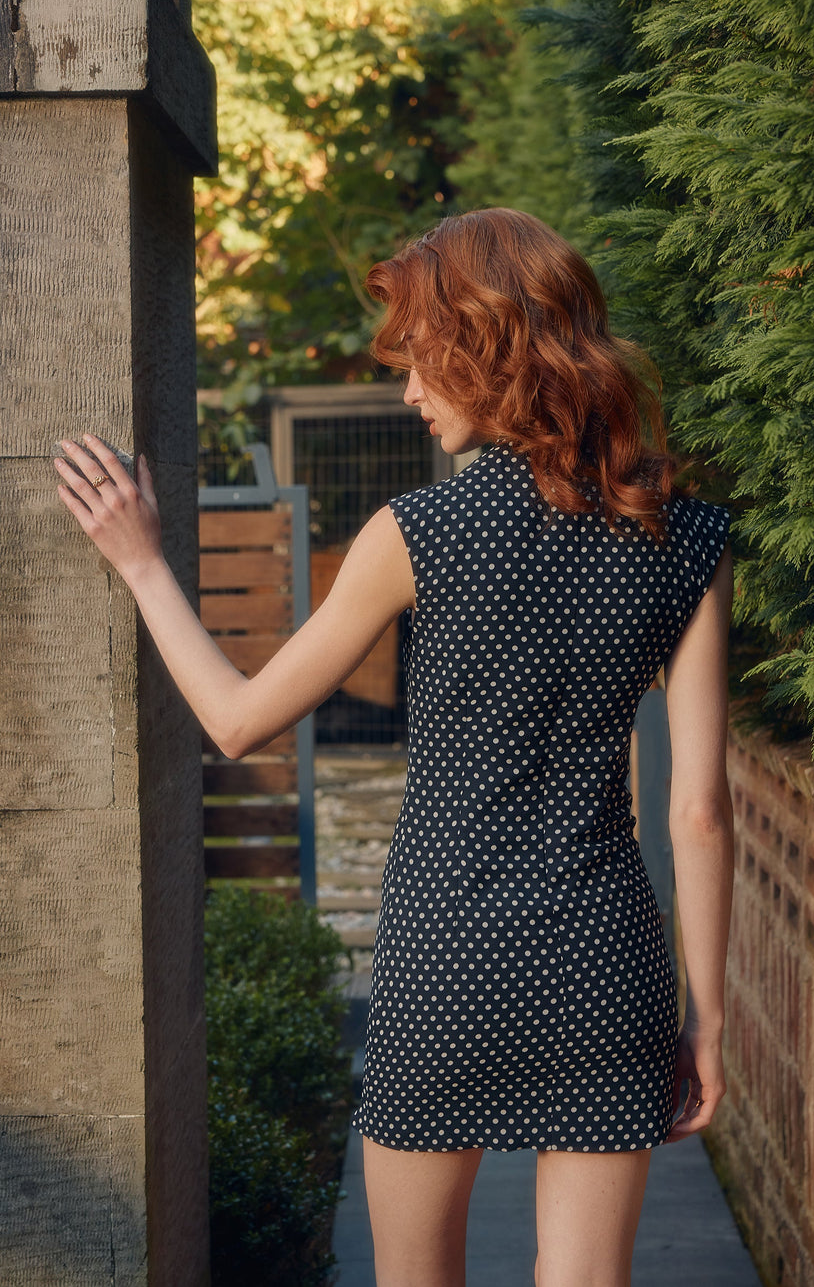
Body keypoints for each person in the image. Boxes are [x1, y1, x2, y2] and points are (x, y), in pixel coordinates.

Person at [55, 207, 733, 1287]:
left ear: (491, 354)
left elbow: (235, 720)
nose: (410, 392)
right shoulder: (685, 536)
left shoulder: (418, 533)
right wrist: (709, 1014)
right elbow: (697, 808)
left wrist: (143, 565)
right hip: (605, 966)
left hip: (445, 963)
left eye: (422, 362)